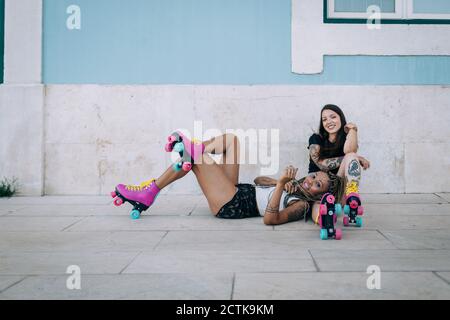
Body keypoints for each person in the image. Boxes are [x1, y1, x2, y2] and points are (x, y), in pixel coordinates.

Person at [112, 131, 345, 224]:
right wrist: (281, 182)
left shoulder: (301, 204)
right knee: (231, 140)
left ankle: (150, 190)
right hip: (239, 190)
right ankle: (191, 150)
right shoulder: (294, 187)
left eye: (317, 184)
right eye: (314, 175)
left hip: (233, 204)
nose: (310, 179)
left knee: (197, 159)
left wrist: (282, 186)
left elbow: (271, 219)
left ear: (322, 194)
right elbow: (258, 181)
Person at [289, 104, 370, 225]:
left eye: (333, 117)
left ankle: (352, 195)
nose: (329, 122)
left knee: (351, 156)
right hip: (316, 187)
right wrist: (355, 158)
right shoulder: (316, 139)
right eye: (324, 119)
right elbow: (321, 165)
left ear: (341, 119)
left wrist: (353, 131)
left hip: (337, 188)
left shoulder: (346, 140)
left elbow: (350, 151)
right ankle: (325, 220)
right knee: (317, 205)